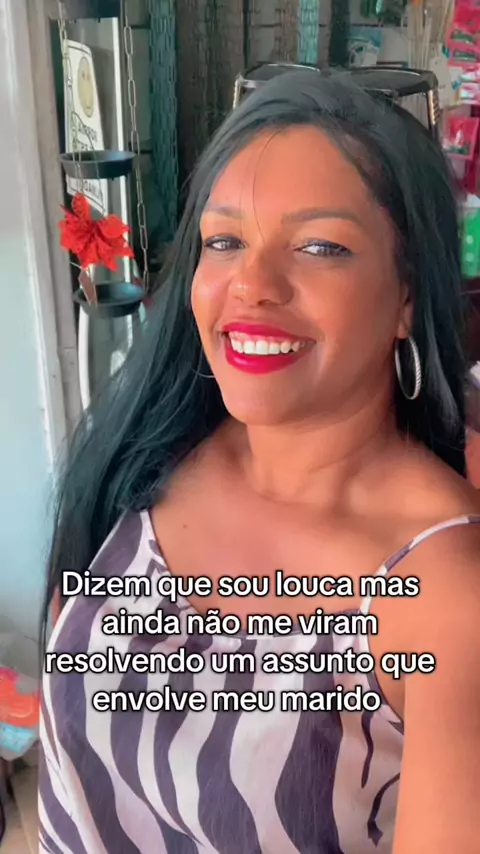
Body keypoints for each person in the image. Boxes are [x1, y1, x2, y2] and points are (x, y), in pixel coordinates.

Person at [39, 69, 480, 854]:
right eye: (224, 241)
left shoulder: (447, 595)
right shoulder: (150, 450)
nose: (252, 284)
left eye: (320, 246)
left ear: (407, 295)